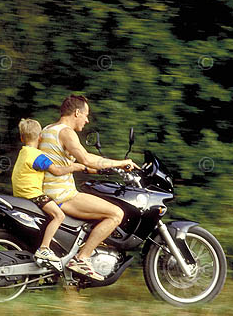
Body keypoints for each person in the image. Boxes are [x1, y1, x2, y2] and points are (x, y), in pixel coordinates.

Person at [40, 95, 139, 280]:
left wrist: (95, 170)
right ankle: (82, 258)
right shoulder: (66, 132)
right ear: (76, 112)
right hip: (62, 195)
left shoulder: (47, 130)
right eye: (86, 115)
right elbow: (85, 158)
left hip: (47, 192)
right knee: (116, 214)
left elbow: (64, 161)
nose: (87, 120)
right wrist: (120, 163)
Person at [11, 118, 89, 264]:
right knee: (59, 215)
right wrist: (74, 167)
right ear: (40, 136)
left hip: (20, 194)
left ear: (22, 138)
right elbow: (57, 171)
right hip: (33, 195)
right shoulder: (38, 156)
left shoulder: (24, 153)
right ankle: (44, 249)